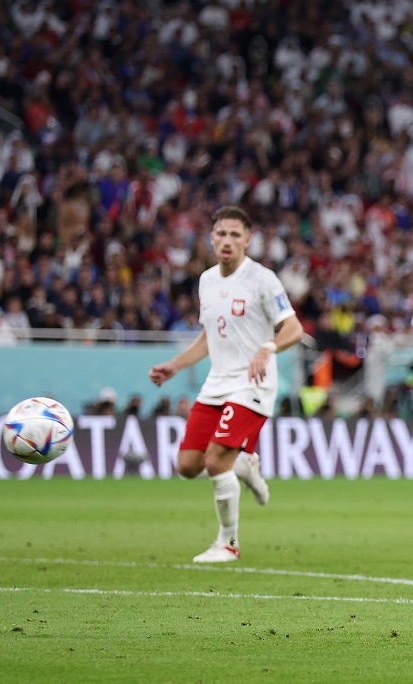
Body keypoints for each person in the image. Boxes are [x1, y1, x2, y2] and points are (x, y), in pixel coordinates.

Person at [149, 205, 303, 563]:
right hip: (217, 382)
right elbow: (209, 336)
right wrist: (175, 364)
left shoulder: (263, 280)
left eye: (236, 234)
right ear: (211, 238)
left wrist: (268, 347)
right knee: (188, 465)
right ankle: (244, 465)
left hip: (253, 383)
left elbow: (294, 329)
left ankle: (228, 544)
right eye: (221, 233)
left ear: (248, 240)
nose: (228, 241)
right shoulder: (206, 281)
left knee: (216, 461)